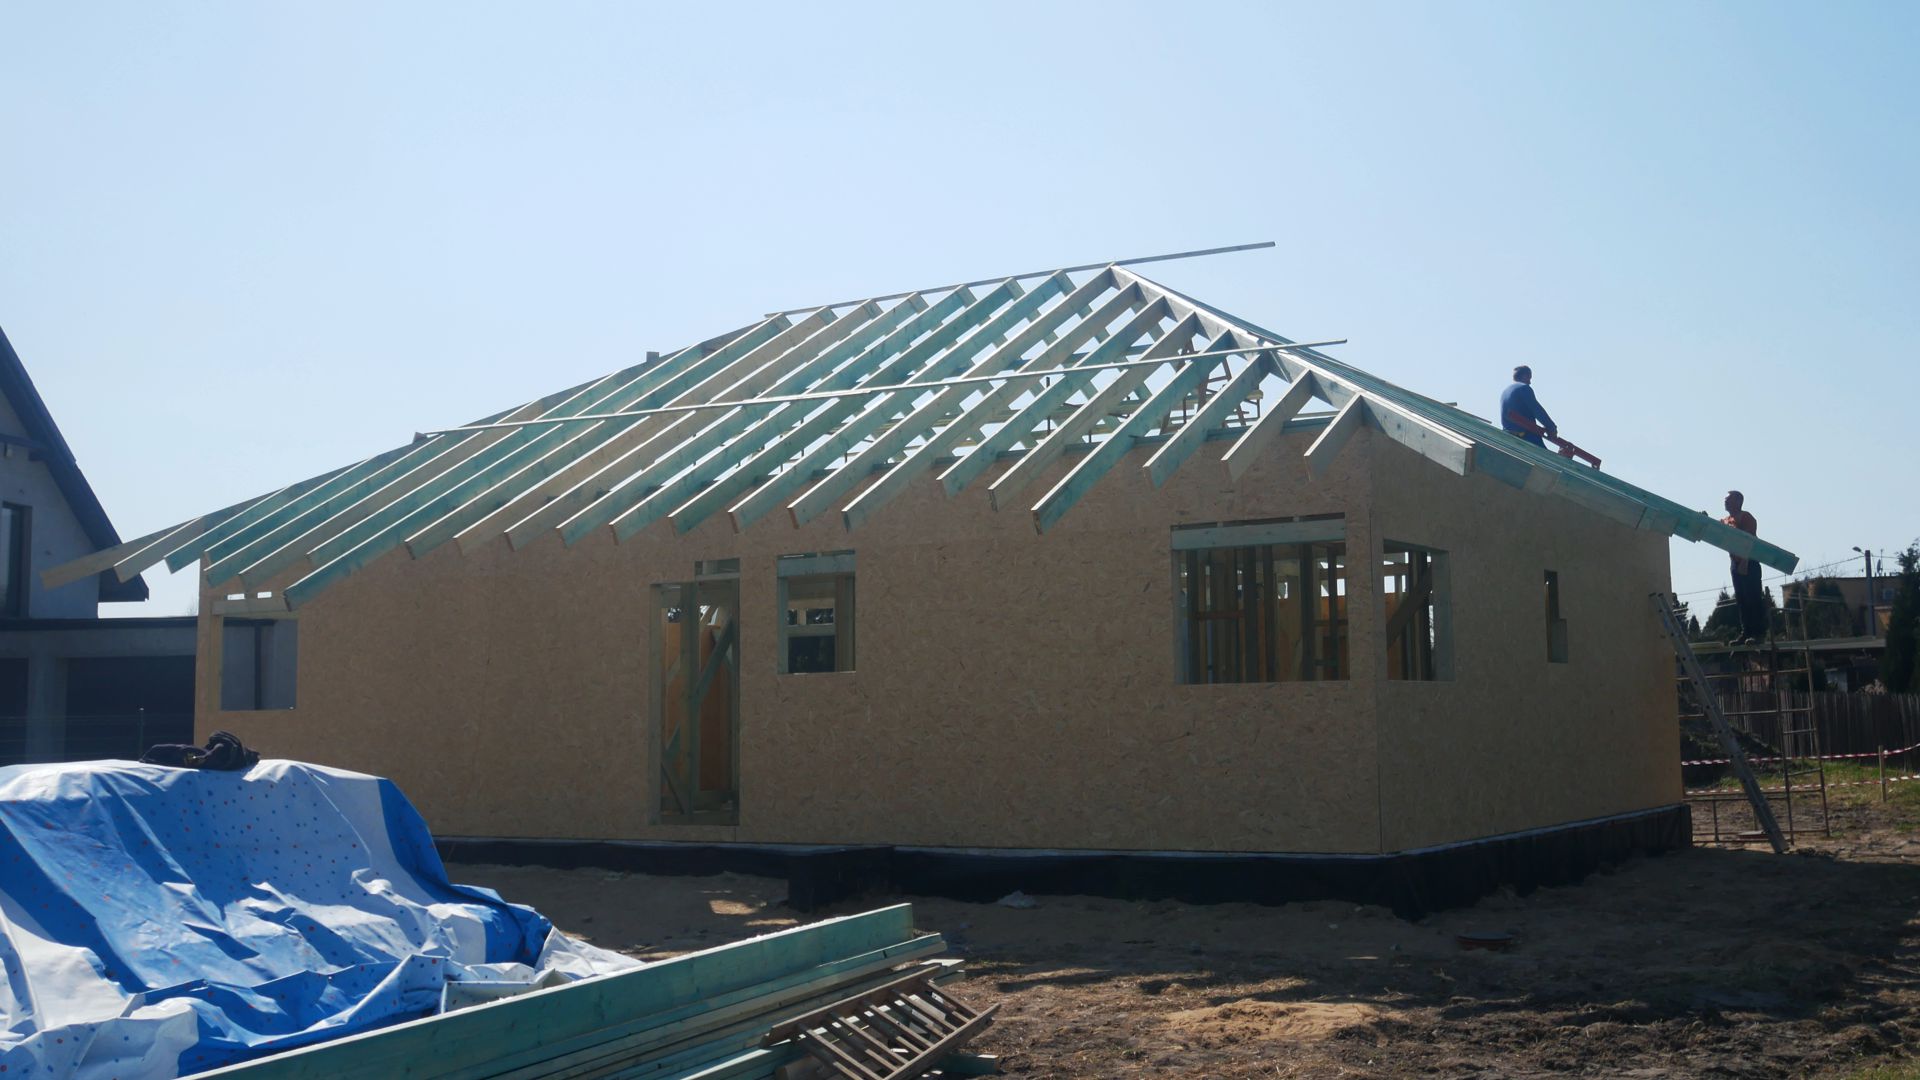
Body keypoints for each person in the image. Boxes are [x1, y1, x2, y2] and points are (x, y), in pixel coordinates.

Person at [1722, 490, 1766, 644]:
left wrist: (1745, 562)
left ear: (1738, 501)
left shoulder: (1746, 517)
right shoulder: (1726, 520)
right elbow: (1714, 528)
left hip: (1749, 561)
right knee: (1741, 599)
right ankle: (1746, 632)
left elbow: (1749, 540)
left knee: (1752, 597)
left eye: (1728, 499)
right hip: (1735, 563)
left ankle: (1758, 634)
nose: (1725, 501)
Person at [1500, 366, 1557, 447]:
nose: (1530, 382)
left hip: (1508, 436)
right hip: (1525, 435)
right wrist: (1551, 427)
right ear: (1525, 376)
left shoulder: (1505, 391)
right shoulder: (1524, 388)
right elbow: (1536, 410)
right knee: (1544, 454)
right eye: (1529, 378)